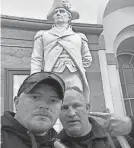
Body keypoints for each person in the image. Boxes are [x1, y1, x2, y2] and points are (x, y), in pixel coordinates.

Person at [31, 0, 92, 102]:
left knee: (76, 101)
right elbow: (36, 58)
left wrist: (75, 65)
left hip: (74, 75)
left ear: (69, 17)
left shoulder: (79, 37)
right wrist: (34, 79)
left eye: (62, 11)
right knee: (53, 101)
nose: (58, 14)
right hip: (52, 74)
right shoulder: (43, 35)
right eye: (56, 12)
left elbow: (87, 59)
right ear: (53, 17)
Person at [1, 72, 66, 148]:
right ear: (17, 102)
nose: (44, 106)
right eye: (35, 97)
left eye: (53, 100)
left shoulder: (61, 143)